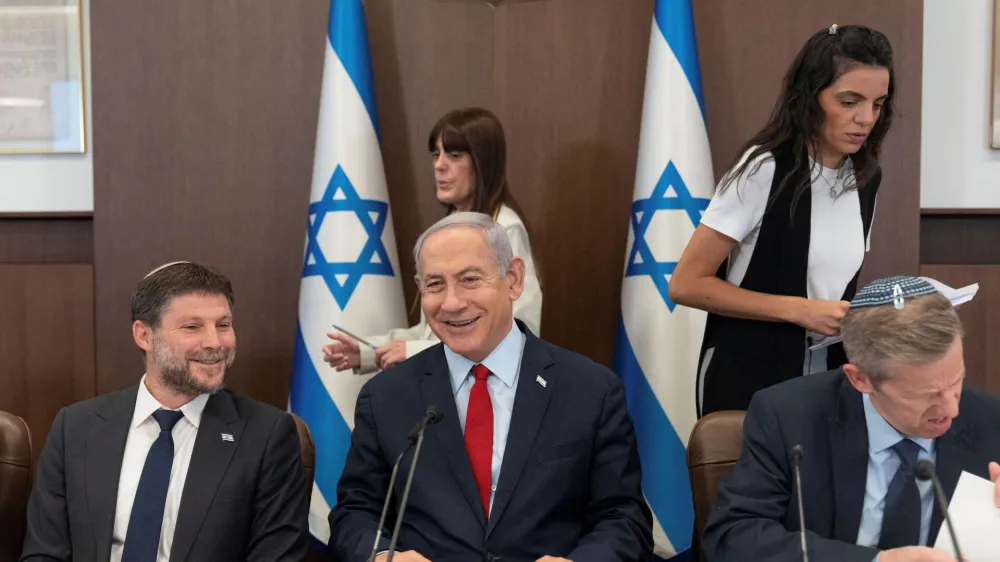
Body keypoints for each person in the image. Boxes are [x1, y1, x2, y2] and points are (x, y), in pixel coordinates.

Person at [327, 212, 652, 562]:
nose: (452, 302)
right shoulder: (386, 397)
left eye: (469, 279)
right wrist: (381, 556)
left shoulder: (591, 390)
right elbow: (355, 513)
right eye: (435, 284)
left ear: (513, 279)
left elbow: (624, 518)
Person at [667, 24, 895, 416]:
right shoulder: (764, 169)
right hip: (747, 378)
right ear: (810, 98)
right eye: (849, 101)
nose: (865, 118)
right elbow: (686, 284)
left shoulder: (865, 177)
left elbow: (832, 281)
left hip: (828, 378)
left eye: (877, 103)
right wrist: (799, 309)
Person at [20, 262, 308, 562]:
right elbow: (43, 554)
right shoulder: (76, 427)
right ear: (144, 336)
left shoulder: (266, 434)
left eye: (223, 325)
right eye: (192, 326)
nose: (215, 342)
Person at [702, 276, 1000, 562]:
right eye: (926, 396)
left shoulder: (991, 419)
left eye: (956, 382)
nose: (951, 410)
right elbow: (734, 537)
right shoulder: (789, 416)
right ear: (861, 380)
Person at [323, 107, 542, 374]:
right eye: (436, 154)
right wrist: (368, 352)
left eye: (454, 154)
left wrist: (413, 352)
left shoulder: (504, 228)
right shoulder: (447, 230)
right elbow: (432, 330)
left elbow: (519, 329)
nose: (439, 165)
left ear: (483, 162)